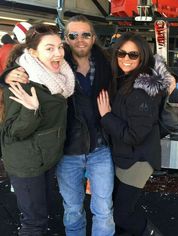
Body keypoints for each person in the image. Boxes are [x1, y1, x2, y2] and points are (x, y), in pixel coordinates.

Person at [2, 15, 115, 236]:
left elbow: (137, 62)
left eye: (86, 34)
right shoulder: (49, 68)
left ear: (94, 38)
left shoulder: (105, 62)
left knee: (103, 209)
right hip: (68, 150)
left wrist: (167, 79)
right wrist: (6, 76)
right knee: (71, 210)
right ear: (66, 38)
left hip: (99, 148)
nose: (79, 40)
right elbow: (21, 69)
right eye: (73, 35)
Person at [0, 24, 75, 236]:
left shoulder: (59, 76)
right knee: (34, 222)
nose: (58, 53)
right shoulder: (22, 81)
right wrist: (31, 111)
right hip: (27, 163)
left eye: (60, 47)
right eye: (49, 48)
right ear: (33, 52)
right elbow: (12, 132)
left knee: (43, 213)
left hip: (45, 156)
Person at [97, 32, 172, 236]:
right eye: (121, 53)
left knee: (122, 214)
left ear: (143, 57)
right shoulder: (125, 78)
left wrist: (106, 116)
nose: (126, 59)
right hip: (125, 155)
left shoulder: (142, 90)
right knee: (121, 208)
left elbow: (134, 136)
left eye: (133, 55)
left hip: (138, 159)